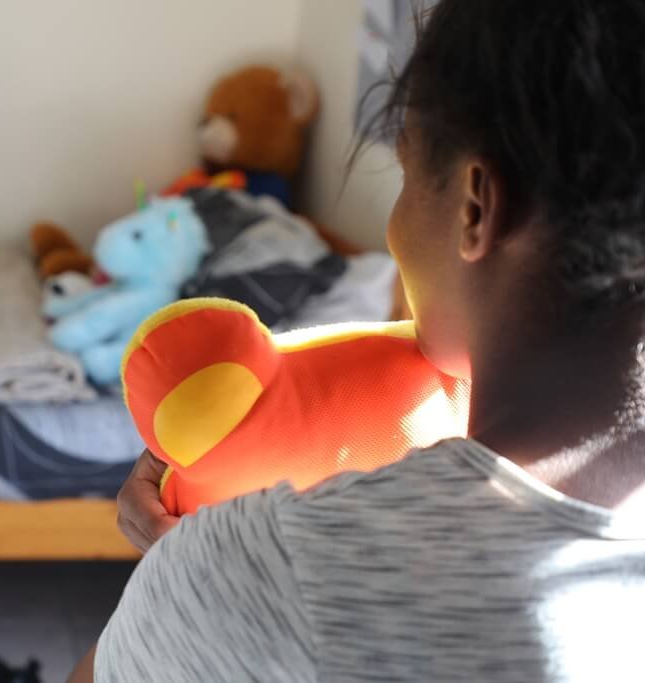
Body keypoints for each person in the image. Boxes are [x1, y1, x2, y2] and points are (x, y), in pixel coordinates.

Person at [69, 0, 645, 680]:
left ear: (474, 206)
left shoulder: (272, 562)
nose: (394, 228)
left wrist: (190, 571)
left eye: (405, 175)